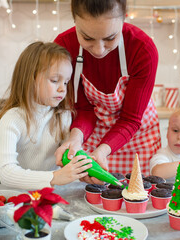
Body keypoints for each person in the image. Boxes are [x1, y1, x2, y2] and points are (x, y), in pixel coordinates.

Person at [54, 0, 161, 179]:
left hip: (138, 139)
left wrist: (102, 151)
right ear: (74, 21)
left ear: (124, 18)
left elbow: (131, 118)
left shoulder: (142, 49)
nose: (99, 49)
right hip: (91, 135)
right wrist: (75, 140)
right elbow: (84, 109)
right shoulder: (65, 46)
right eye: (87, 38)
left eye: (110, 38)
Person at [0, 42, 92, 190]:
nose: (62, 89)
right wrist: (55, 177)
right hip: (21, 196)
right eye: (54, 80)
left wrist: (84, 169)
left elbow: (67, 159)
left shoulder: (63, 116)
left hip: (55, 193)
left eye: (66, 82)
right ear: (30, 79)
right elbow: (7, 173)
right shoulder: (12, 120)